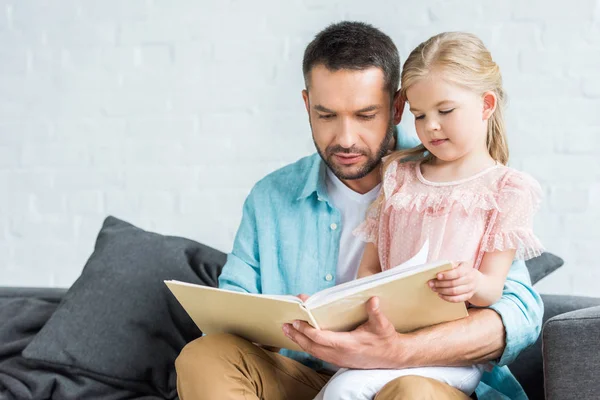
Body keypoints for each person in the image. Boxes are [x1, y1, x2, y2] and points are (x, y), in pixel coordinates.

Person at [175, 22, 543, 400]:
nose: (346, 138)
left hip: (423, 380)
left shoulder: (459, 180)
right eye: (327, 115)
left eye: (366, 115)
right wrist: (289, 322)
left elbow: (519, 313)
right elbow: (230, 313)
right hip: (310, 377)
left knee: (411, 393)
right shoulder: (271, 197)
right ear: (307, 106)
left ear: (398, 107)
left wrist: (398, 351)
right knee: (205, 355)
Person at [313, 31, 544, 400]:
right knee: (341, 388)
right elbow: (369, 269)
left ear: (486, 105)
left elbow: (492, 288)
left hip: (449, 355)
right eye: (419, 115)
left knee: (349, 389)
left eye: (445, 111)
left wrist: (471, 283)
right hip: (388, 334)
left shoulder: (507, 190)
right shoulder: (399, 177)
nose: (430, 125)